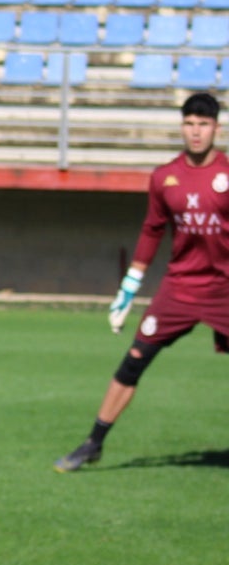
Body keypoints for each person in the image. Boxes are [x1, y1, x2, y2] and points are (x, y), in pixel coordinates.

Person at [55, 92, 229, 472]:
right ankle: (93, 443)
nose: (196, 132)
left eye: (203, 124)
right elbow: (152, 231)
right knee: (133, 361)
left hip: (225, 289)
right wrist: (129, 289)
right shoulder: (164, 177)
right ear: (181, 126)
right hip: (180, 288)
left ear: (217, 127)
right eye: (189, 123)